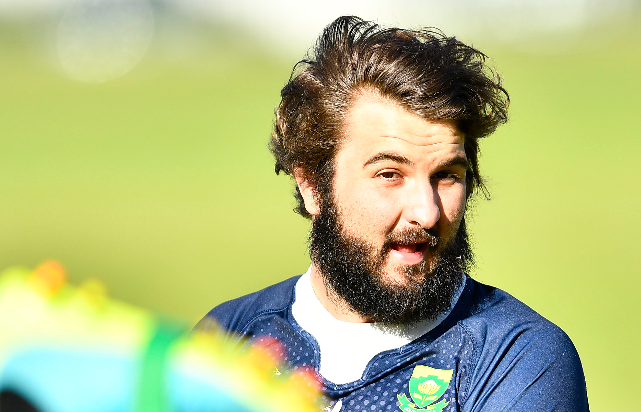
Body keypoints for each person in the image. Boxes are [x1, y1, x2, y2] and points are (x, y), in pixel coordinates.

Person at [195, 16, 589, 412]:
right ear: (312, 186)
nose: (427, 212)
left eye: (446, 176)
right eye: (389, 174)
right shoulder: (227, 342)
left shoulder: (515, 357)